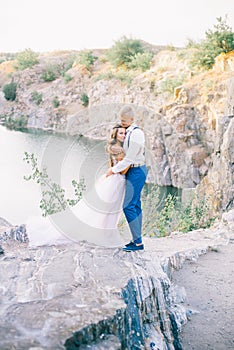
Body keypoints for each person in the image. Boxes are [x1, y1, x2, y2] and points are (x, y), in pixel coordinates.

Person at [26, 125, 127, 248]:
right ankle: (104, 233)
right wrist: (131, 162)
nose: (124, 135)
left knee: (108, 209)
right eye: (121, 133)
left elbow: (112, 166)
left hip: (114, 180)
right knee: (108, 209)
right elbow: (122, 169)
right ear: (116, 134)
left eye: (125, 133)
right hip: (116, 181)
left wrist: (113, 170)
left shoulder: (116, 147)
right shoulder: (119, 149)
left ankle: (105, 232)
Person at [106, 106, 147, 252]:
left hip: (137, 170)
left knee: (128, 206)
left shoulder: (137, 134)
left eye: (124, 120)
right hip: (133, 170)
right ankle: (136, 240)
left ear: (132, 119)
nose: (121, 122)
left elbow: (129, 158)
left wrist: (113, 170)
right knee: (135, 205)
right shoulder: (128, 132)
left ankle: (138, 243)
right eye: (120, 120)